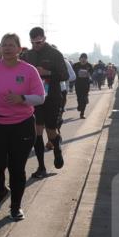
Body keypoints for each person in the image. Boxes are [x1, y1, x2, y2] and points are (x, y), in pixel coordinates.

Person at [0, 33, 46, 221]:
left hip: (21, 125)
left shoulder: (29, 70)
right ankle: (0, 191)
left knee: (17, 168)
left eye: (11, 45)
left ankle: (15, 208)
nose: (7, 48)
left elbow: (40, 97)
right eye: (4, 45)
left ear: (19, 49)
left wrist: (22, 99)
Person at [22, 27, 69, 179]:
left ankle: (57, 148)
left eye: (39, 42)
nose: (36, 45)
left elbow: (65, 75)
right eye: (33, 42)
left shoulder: (55, 54)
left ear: (44, 38)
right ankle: (41, 167)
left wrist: (47, 72)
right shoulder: (27, 55)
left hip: (52, 97)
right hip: (35, 98)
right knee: (37, 132)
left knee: (51, 131)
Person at [72, 54, 93, 118]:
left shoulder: (89, 65)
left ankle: (82, 113)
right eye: (82, 58)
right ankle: (79, 105)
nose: (83, 59)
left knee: (84, 98)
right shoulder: (75, 65)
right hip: (78, 84)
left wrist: (88, 73)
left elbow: (92, 73)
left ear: (87, 59)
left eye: (85, 58)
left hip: (86, 84)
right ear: (80, 59)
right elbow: (72, 73)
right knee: (79, 97)